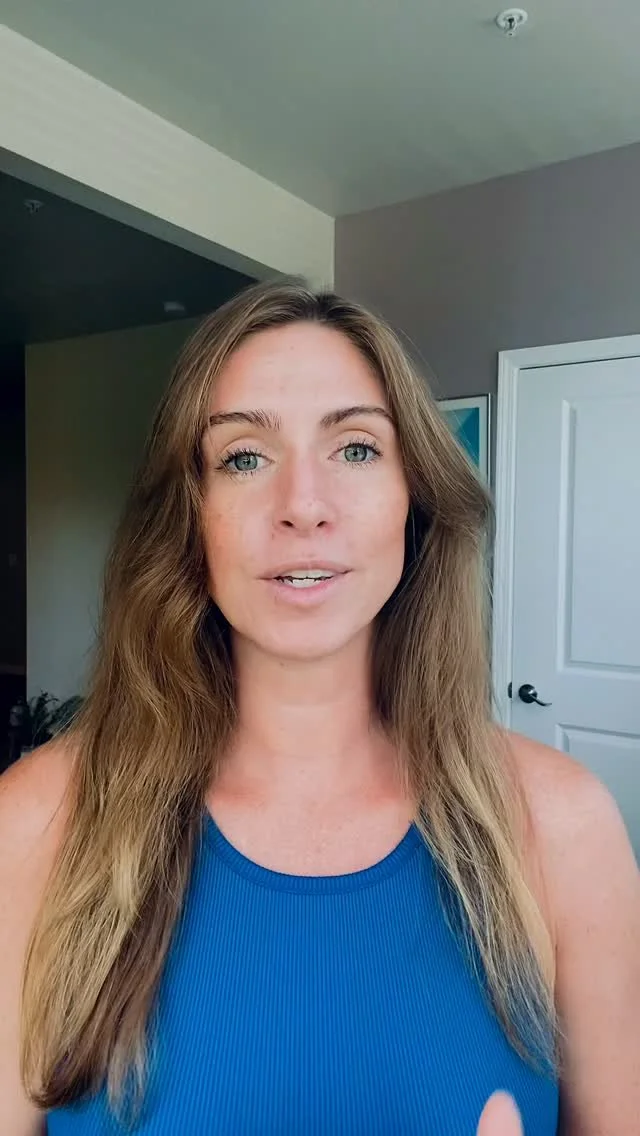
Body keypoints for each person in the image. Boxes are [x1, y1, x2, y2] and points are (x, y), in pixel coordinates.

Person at [0, 281, 637, 1135]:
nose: (303, 505)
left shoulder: (565, 825)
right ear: (190, 514)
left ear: (415, 500)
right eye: (244, 457)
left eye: (357, 448)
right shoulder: (36, 822)